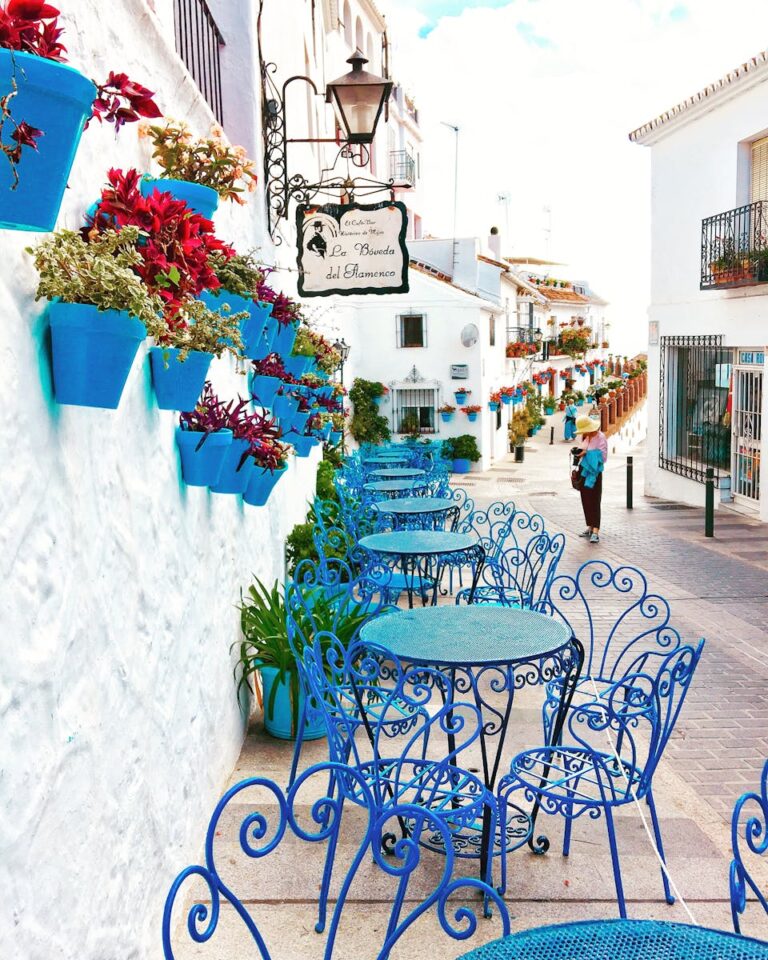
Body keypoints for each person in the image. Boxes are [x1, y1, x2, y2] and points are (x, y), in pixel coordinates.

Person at [572, 414, 607, 544]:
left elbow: (603, 457)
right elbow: (583, 449)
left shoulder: (601, 437)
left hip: (594, 473)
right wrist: (577, 451)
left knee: (595, 500)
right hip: (584, 471)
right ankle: (590, 527)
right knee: (586, 500)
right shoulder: (586, 437)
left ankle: (596, 531)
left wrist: (586, 453)